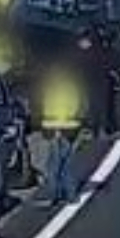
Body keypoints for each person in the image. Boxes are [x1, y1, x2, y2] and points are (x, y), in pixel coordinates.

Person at [35, 59, 87, 207]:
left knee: (54, 165)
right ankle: (68, 194)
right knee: (63, 163)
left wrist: (55, 129)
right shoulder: (69, 87)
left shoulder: (57, 89)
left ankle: (55, 195)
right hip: (67, 127)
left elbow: (55, 108)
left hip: (61, 127)